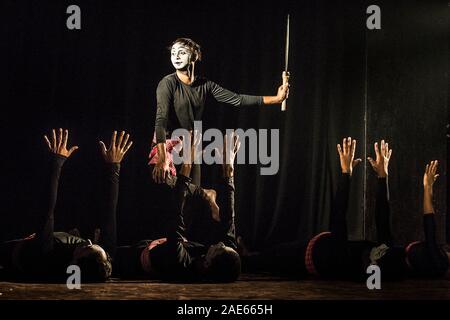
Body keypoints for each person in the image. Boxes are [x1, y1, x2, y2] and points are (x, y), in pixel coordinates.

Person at [151, 37, 290, 186]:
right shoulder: (167, 83)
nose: (176, 56)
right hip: (167, 149)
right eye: (173, 53)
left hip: (190, 149)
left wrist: (276, 99)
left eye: (182, 52)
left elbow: (237, 99)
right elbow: (161, 120)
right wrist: (162, 157)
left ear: (194, 56)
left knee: (191, 200)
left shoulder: (205, 85)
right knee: (173, 199)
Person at [0, 129, 133, 282]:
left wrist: (56, 161)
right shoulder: (104, 257)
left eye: (87, 247)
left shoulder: (48, 257)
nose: (89, 242)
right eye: (94, 246)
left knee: (39, 241)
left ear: (74, 262)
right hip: (62, 242)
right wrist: (114, 166)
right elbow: (110, 211)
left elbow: (47, 211)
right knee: (90, 239)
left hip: (21, 251)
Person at [114, 131, 241, 282]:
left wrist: (188, 162)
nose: (220, 243)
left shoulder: (181, 263)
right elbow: (228, 220)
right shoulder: (225, 256)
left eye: (219, 248)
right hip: (167, 240)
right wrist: (229, 169)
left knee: (160, 178)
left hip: (136, 256)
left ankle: (201, 192)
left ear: (207, 263)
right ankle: (202, 193)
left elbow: (175, 212)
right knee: (170, 181)